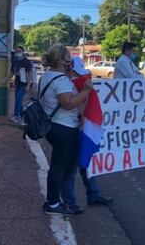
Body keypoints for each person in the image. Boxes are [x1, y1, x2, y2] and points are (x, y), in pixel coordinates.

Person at [39, 45, 93, 214]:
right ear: (61, 60)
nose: (71, 61)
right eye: (69, 57)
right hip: (64, 128)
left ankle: (55, 200)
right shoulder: (61, 80)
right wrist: (85, 91)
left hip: (54, 126)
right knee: (60, 166)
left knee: (64, 165)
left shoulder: (48, 75)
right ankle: (53, 203)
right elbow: (68, 104)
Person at [61, 57, 114, 213]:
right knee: (72, 166)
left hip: (80, 127)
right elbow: (77, 105)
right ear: (70, 69)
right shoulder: (69, 84)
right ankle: (70, 201)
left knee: (86, 162)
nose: (79, 75)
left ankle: (93, 194)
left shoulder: (78, 83)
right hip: (72, 127)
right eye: (77, 72)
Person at [9, 45, 33, 125]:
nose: (17, 53)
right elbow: (12, 72)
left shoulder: (27, 62)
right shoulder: (15, 62)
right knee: (18, 100)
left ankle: (17, 116)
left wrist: (28, 85)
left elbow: (30, 74)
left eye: (19, 51)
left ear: (23, 52)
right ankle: (21, 116)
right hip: (18, 83)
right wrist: (6, 79)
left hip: (24, 84)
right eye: (16, 51)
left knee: (19, 99)